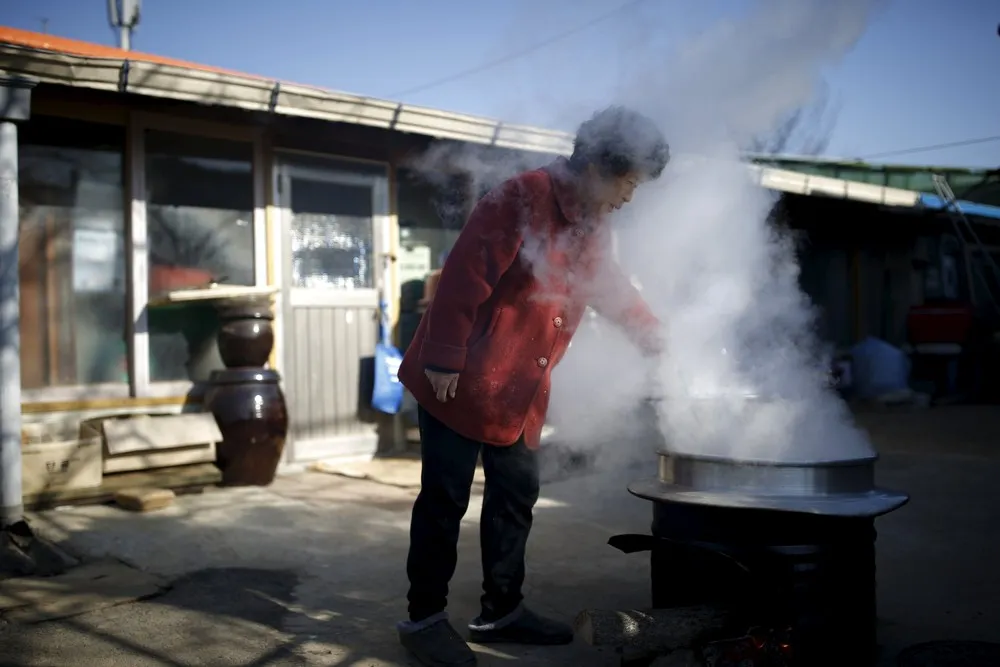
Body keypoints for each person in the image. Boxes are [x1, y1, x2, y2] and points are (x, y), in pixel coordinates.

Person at [396, 106, 670, 667]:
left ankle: (500, 611)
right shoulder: (520, 197)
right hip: (458, 380)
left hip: (518, 391)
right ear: (596, 165)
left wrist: (652, 334)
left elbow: (607, 285)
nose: (630, 197)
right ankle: (422, 619)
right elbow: (461, 279)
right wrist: (444, 359)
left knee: (515, 499)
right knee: (444, 502)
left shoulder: (594, 221)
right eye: (629, 182)